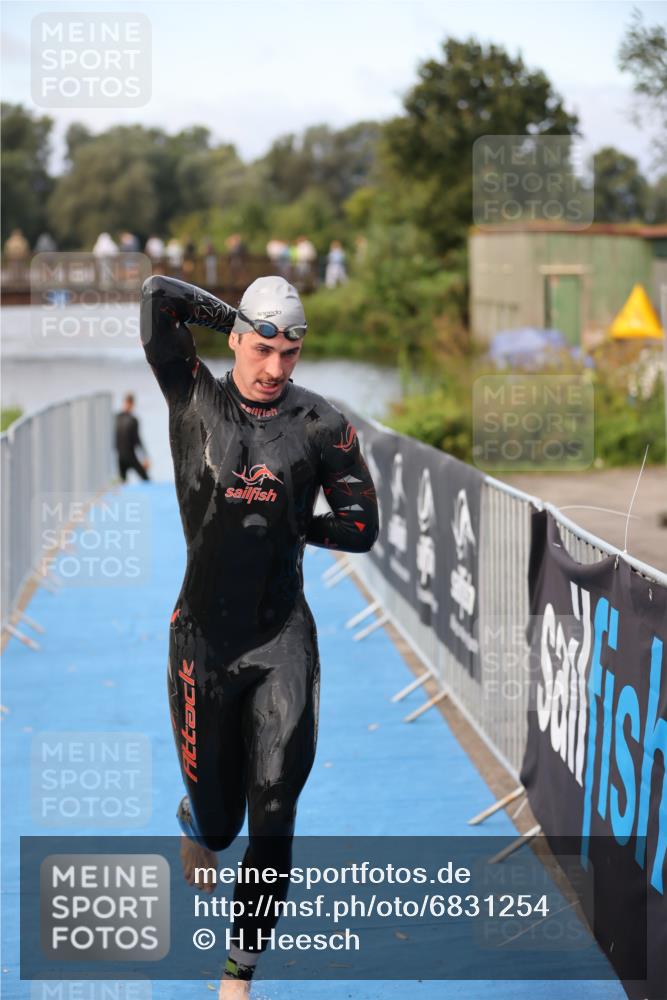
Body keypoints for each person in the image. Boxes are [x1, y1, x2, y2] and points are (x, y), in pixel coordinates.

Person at [140, 273, 378, 997]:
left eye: (291, 353)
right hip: (201, 644)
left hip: (280, 642)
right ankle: (196, 819)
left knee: (273, 809)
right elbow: (157, 298)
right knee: (220, 821)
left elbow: (362, 528)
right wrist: (231, 313)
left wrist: (297, 525)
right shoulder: (193, 396)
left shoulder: (321, 424)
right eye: (262, 349)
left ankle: (238, 973)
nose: (275, 369)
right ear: (236, 341)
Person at [114, 393, 150, 482]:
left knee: (145, 479)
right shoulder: (117, 418)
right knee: (124, 481)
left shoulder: (130, 419)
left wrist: (144, 457)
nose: (128, 405)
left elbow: (137, 439)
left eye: (129, 403)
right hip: (122, 456)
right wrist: (145, 457)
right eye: (127, 403)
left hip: (129, 455)